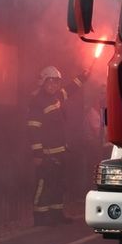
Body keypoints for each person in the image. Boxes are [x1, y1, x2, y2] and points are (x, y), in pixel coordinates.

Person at [28, 65, 86, 226]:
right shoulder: (37, 102)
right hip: (46, 153)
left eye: (56, 83)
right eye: (50, 82)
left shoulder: (57, 97)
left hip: (60, 151)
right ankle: (40, 216)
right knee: (44, 183)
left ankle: (56, 214)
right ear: (43, 82)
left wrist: (82, 77)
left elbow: (70, 89)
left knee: (59, 183)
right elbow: (33, 128)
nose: (54, 86)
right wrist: (38, 153)